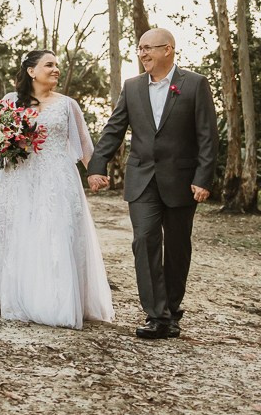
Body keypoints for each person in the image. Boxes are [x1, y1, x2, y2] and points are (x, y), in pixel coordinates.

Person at [87, 29, 218, 340]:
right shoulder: (132, 87)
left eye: (148, 48)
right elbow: (114, 127)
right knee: (144, 240)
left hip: (182, 181)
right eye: (140, 49)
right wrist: (97, 165)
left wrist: (203, 178)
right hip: (142, 178)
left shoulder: (195, 84)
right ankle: (156, 315)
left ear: (168, 50)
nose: (142, 54)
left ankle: (172, 311)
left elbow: (207, 137)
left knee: (177, 248)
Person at [0, 50, 114, 329]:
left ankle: (55, 300)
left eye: (57, 65)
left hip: (57, 179)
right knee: (17, 233)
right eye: (49, 65)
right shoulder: (11, 102)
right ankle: (14, 293)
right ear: (31, 71)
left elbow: (84, 144)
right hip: (17, 178)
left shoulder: (68, 105)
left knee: (55, 232)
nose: (56, 69)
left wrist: (95, 172)